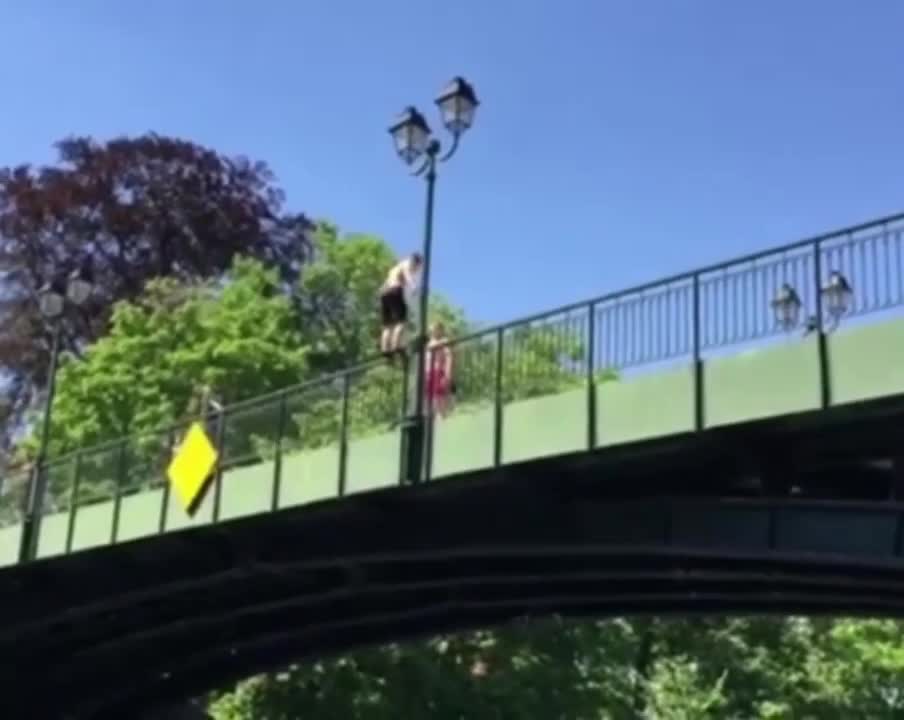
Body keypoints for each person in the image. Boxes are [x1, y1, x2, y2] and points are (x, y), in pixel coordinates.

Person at [379, 253, 423, 357]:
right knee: (401, 321)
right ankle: (396, 346)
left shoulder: (394, 269)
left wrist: (381, 292)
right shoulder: (406, 264)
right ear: (415, 262)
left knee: (387, 325)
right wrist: (413, 286)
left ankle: (385, 350)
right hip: (395, 291)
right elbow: (407, 274)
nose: (416, 270)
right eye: (417, 267)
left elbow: (385, 284)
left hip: (385, 294)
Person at [425, 321, 454, 417]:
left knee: (439, 396)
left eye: (434, 329)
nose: (432, 331)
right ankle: (436, 416)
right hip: (428, 372)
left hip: (438, 371)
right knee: (431, 398)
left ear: (440, 330)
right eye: (431, 329)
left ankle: (443, 416)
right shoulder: (429, 342)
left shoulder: (444, 341)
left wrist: (447, 374)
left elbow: (449, 356)